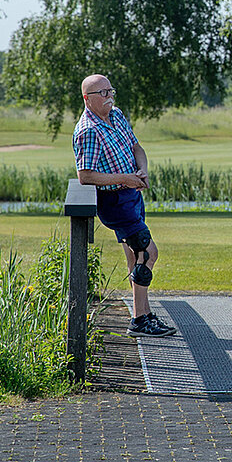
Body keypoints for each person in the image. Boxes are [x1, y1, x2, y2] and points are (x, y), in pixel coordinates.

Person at [72, 74, 176, 338]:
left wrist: (142, 171)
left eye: (110, 91)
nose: (109, 97)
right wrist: (124, 179)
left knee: (135, 257)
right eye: (102, 93)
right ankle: (140, 321)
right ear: (87, 99)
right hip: (115, 201)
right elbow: (86, 175)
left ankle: (143, 314)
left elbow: (136, 147)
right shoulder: (87, 131)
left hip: (132, 194)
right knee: (147, 252)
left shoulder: (116, 115)